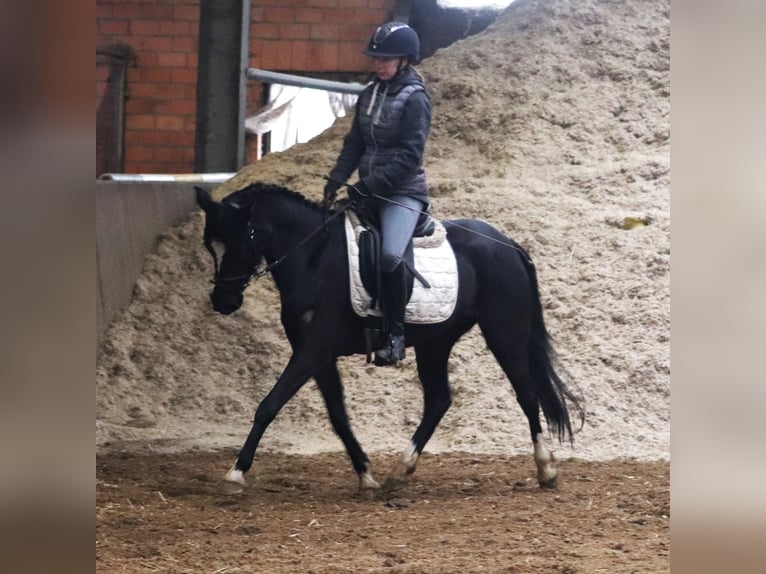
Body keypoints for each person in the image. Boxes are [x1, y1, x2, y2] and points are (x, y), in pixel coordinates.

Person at [323, 21, 432, 367]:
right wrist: (336, 179)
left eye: (387, 59)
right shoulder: (368, 94)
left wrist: (369, 185)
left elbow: (411, 155)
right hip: (367, 190)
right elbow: (355, 143)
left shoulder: (416, 99)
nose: (379, 64)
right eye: (376, 58)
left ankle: (396, 334)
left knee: (388, 256)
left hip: (402, 192)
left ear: (404, 60)